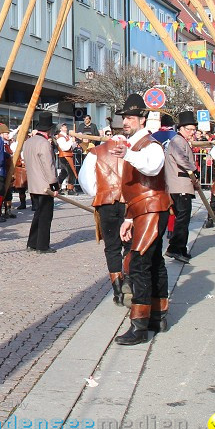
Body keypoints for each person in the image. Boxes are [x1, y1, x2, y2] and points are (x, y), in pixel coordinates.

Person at [113, 94, 172, 345]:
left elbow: (152, 169)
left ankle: (139, 326)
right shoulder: (135, 145)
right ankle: (157, 317)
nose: (126, 121)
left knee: (139, 264)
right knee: (154, 261)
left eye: (130, 117)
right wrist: (128, 218)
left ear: (142, 119)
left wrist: (127, 154)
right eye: (124, 117)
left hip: (152, 208)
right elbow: (133, 185)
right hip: (142, 209)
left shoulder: (150, 144)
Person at [79, 129, 129, 304]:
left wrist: (99, 193)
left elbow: (85, 179)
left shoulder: (97, 152)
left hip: (105, 202)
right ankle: (130, 284)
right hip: (128, 203)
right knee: (130, 244)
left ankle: (118, 291)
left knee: (112, 246)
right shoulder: (132, 150)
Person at [163, 111, 198, 264]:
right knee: (182, 219)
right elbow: (181, 160)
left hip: (182, 185)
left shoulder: (181, 140)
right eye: (189, 129)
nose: (192, 132)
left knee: (183, 218)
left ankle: (180, 248)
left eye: (193, 130)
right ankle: (175, 248)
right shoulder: (178, 141)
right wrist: (194, 168)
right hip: (179, 185)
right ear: (181, 128)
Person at [23, 112, 59, 253]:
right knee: (45, 216)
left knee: (38, 214)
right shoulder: (44, 143)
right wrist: (54, 184)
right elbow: (48, 166)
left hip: (33, 184)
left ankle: (32, 243)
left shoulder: (28, 142)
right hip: (45, 186)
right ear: (49, 130)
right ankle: (42, 245)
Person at [55, 123, 78, 194]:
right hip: (64, 156)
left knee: (64, 173)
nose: (65, 127)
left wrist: (73, 142)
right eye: (63, 126)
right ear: (60, 128)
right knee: (71, 172)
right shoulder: (61, 137)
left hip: (68, 156)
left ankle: (57, 188)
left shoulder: (66, 136)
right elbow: (65, 147)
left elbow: (71, 147)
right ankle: (70, 189)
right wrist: (71, 140)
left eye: (65, 126)